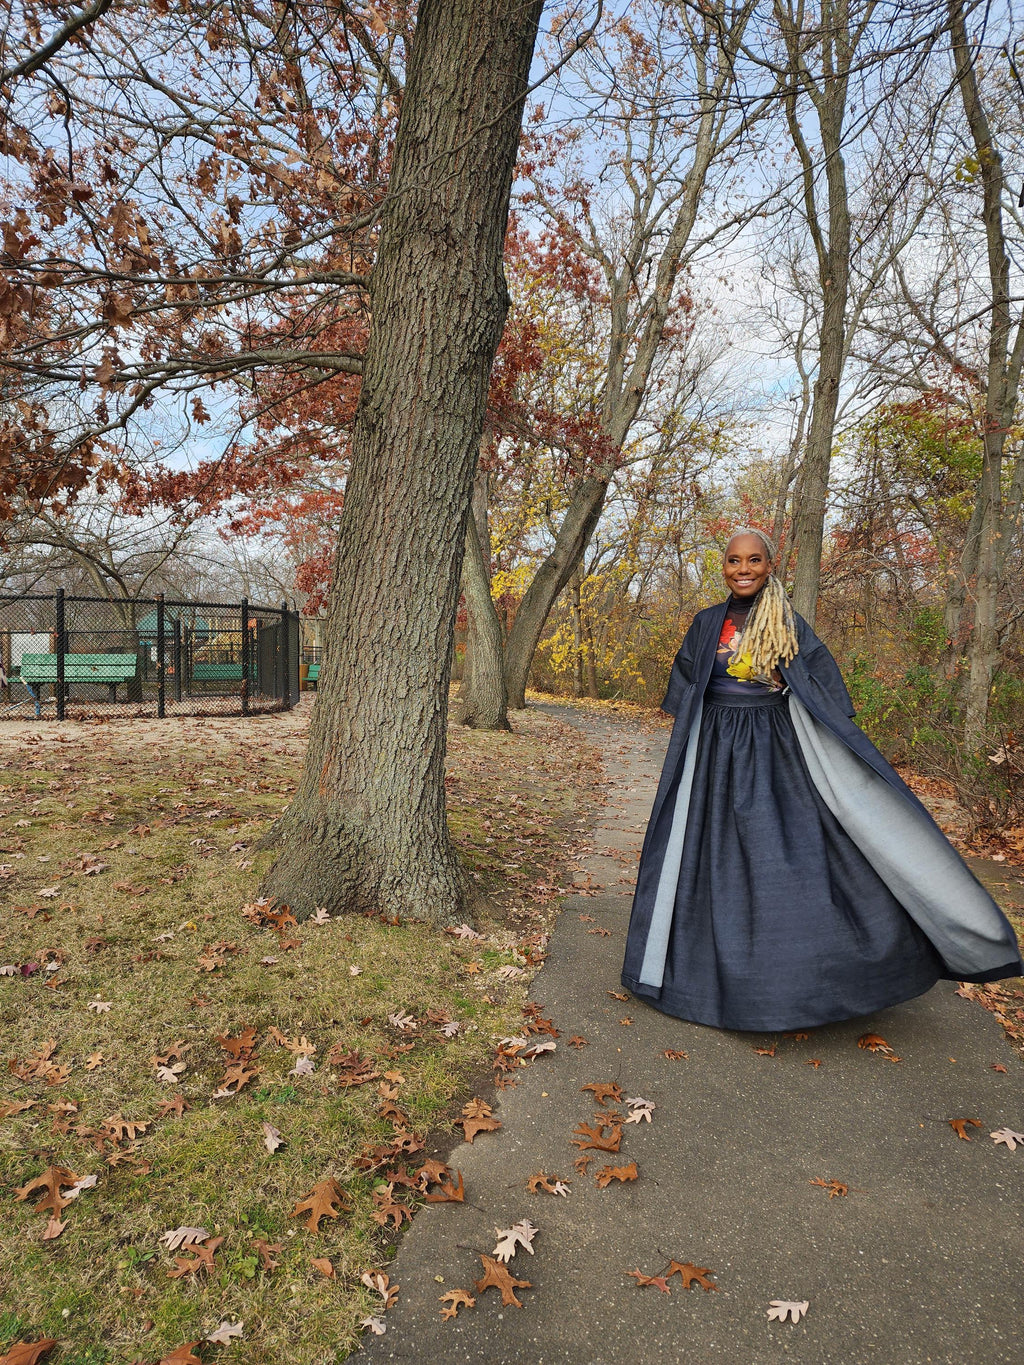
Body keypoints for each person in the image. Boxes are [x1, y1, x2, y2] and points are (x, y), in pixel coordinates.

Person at [621, 528, 1023, 1032]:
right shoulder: (706, 623)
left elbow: (821, 683)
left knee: (785, 853)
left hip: (775, 748)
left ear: (770, 566)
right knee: (709, 852)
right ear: (723, 567)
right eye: (734, 560)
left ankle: (812, 971)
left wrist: (790, 688)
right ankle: (706, 968)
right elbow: (686, 686)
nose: (743, 569)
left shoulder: (787, 621)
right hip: (715, 750)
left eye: (753, 560)